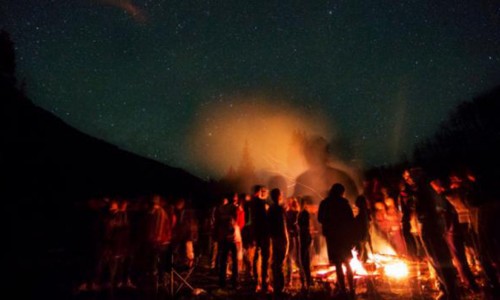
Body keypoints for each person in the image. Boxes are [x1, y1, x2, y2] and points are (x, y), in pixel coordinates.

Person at [403, 169, 459, 300]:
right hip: (428, 227)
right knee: (435, 259)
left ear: (417, 176)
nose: (407, 179)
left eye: (409, 176)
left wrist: (426, 218)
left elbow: (435, 208)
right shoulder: (419, 190)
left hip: (431, 227)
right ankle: (446, 289)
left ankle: (452, 292)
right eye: (406, 177)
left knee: (440, 259)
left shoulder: (426, 189)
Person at [318, 183, 355, 298]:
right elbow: (351, 220)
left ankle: (343, 289)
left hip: (332, 237)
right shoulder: (344, 203)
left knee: (338, 263)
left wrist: (329, 224)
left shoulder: (325, 203)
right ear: (341, 192)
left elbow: (320, 219)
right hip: (343, 237)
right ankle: (351, 288)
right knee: (347, 262)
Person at [249, 185, 272, 293]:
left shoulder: (261, 203)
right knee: (261, 257)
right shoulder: (258, 203)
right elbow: (260, 219)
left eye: (265, 191)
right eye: (262, 191)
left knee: (261, 258)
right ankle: (260, 282)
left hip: (261, 233)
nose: (264, 193)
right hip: (261, 233)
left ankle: (260, 282)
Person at [214, 194, 239, 289]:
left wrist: (217, 235)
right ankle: (234, 282)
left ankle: (222, 282)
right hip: (231, 237)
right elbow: (235, 221)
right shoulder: (233, 208)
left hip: (222, 237)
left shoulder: (219, 209)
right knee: (234, 260)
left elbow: (217, 223)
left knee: (223, 259)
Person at [268, 188, 289, 297]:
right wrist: (286, 241)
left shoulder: (271, 209)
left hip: (274, 238)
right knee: (279, 264)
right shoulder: (278, 209)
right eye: (281, 194)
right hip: (280, 239)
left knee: (275, 264)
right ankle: (280, 289)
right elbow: (282, 226)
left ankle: (277, 287)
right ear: (278, 196)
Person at [298, 196, 313, 289]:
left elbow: (306, 226)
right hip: (303, 237)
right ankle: (307, 281)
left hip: (305, 237)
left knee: (305, 260)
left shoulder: (304, 213)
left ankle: (307, 281)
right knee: (304, 259)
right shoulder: (301, 213)